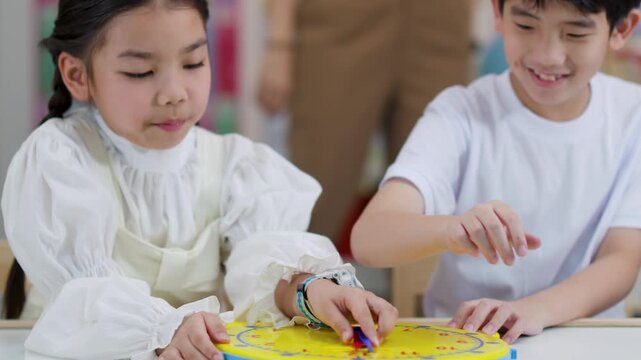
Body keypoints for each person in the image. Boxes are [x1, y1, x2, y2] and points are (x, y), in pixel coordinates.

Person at [0, 1, 398, 359]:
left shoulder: (234, 165)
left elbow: (262, 265)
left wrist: (310, 292)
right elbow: (85, 297)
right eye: (141, 71)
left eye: (192, 63)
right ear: (76, 74)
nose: (174, 93)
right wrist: (160, 329)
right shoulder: (62, 157)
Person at [352, 0, 641, 345]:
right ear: (497, 15)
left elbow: (622, 259)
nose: (548, 54)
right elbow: (369, 239)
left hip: (586, 340)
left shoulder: (632, 118)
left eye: (575, 33)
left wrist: (534, 310)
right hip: (466, 341)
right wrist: (449, 229)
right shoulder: (460, 113)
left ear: (621, 29)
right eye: (526, 26)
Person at [257, 0, 472, 243]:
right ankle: (299, 279)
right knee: (316, 200)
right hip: (340, 24)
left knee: (434, 209)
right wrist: (279, 42)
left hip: (441, 23)